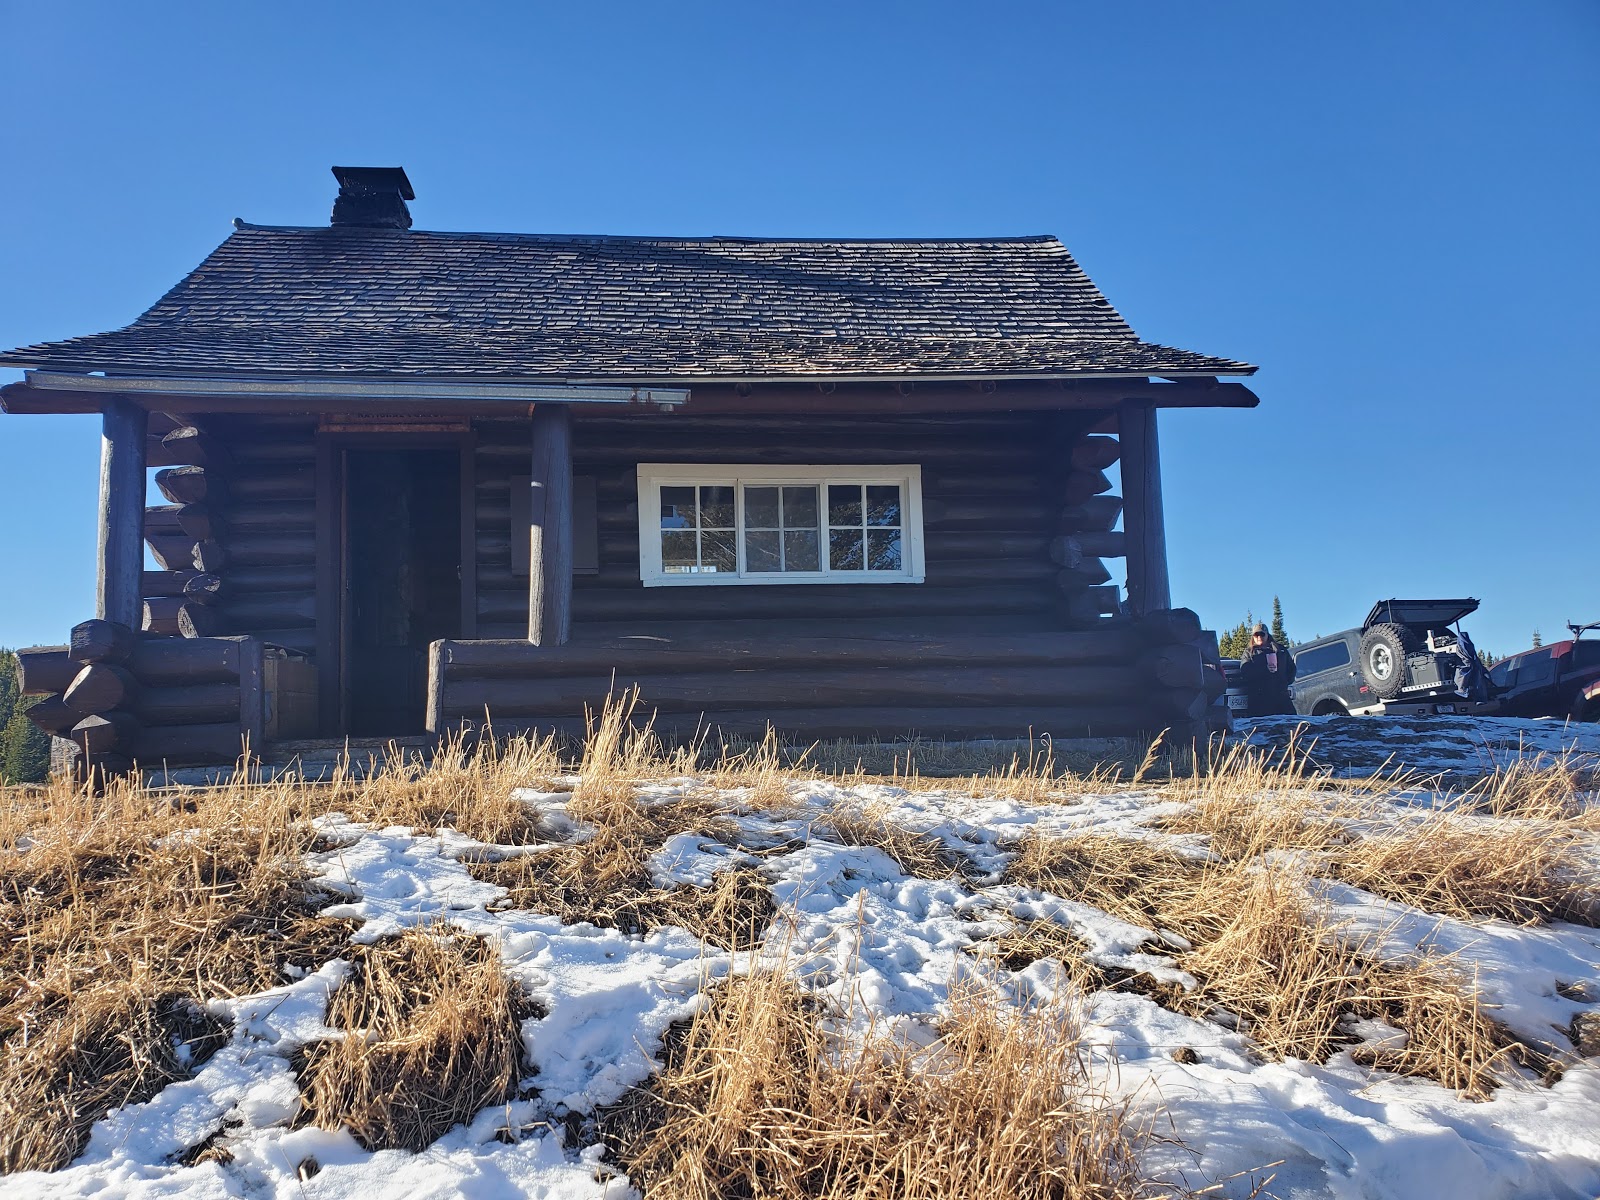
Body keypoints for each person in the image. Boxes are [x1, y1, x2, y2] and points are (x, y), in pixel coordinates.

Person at [1238, 623, 1297, 716]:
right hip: (1259, 701)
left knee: (1290, 723)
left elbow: (1291, 669)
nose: (1259, 637)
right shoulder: (1249, 653)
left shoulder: (1280, 650)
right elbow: (1245, 672)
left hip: (1281, 698)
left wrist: (1284, 683)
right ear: (1253, 637)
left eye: (1262, 634)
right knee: (1262, 724)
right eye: (1256, 635)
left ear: (1267, 635)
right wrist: (1264, 670)